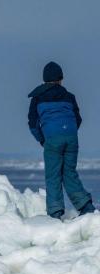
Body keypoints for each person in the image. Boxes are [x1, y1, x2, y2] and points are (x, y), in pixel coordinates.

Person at [28, 61, 95, 219]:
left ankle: (55, 213)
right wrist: (69, 133)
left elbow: (32, 123)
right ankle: (86, 207)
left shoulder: (37, 98)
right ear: (60, 79)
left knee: (53, 176)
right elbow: (78, 118)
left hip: (52, 139)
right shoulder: (69, 96)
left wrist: (42, 139)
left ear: (44, 79)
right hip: (71, 138)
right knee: (69, 173)